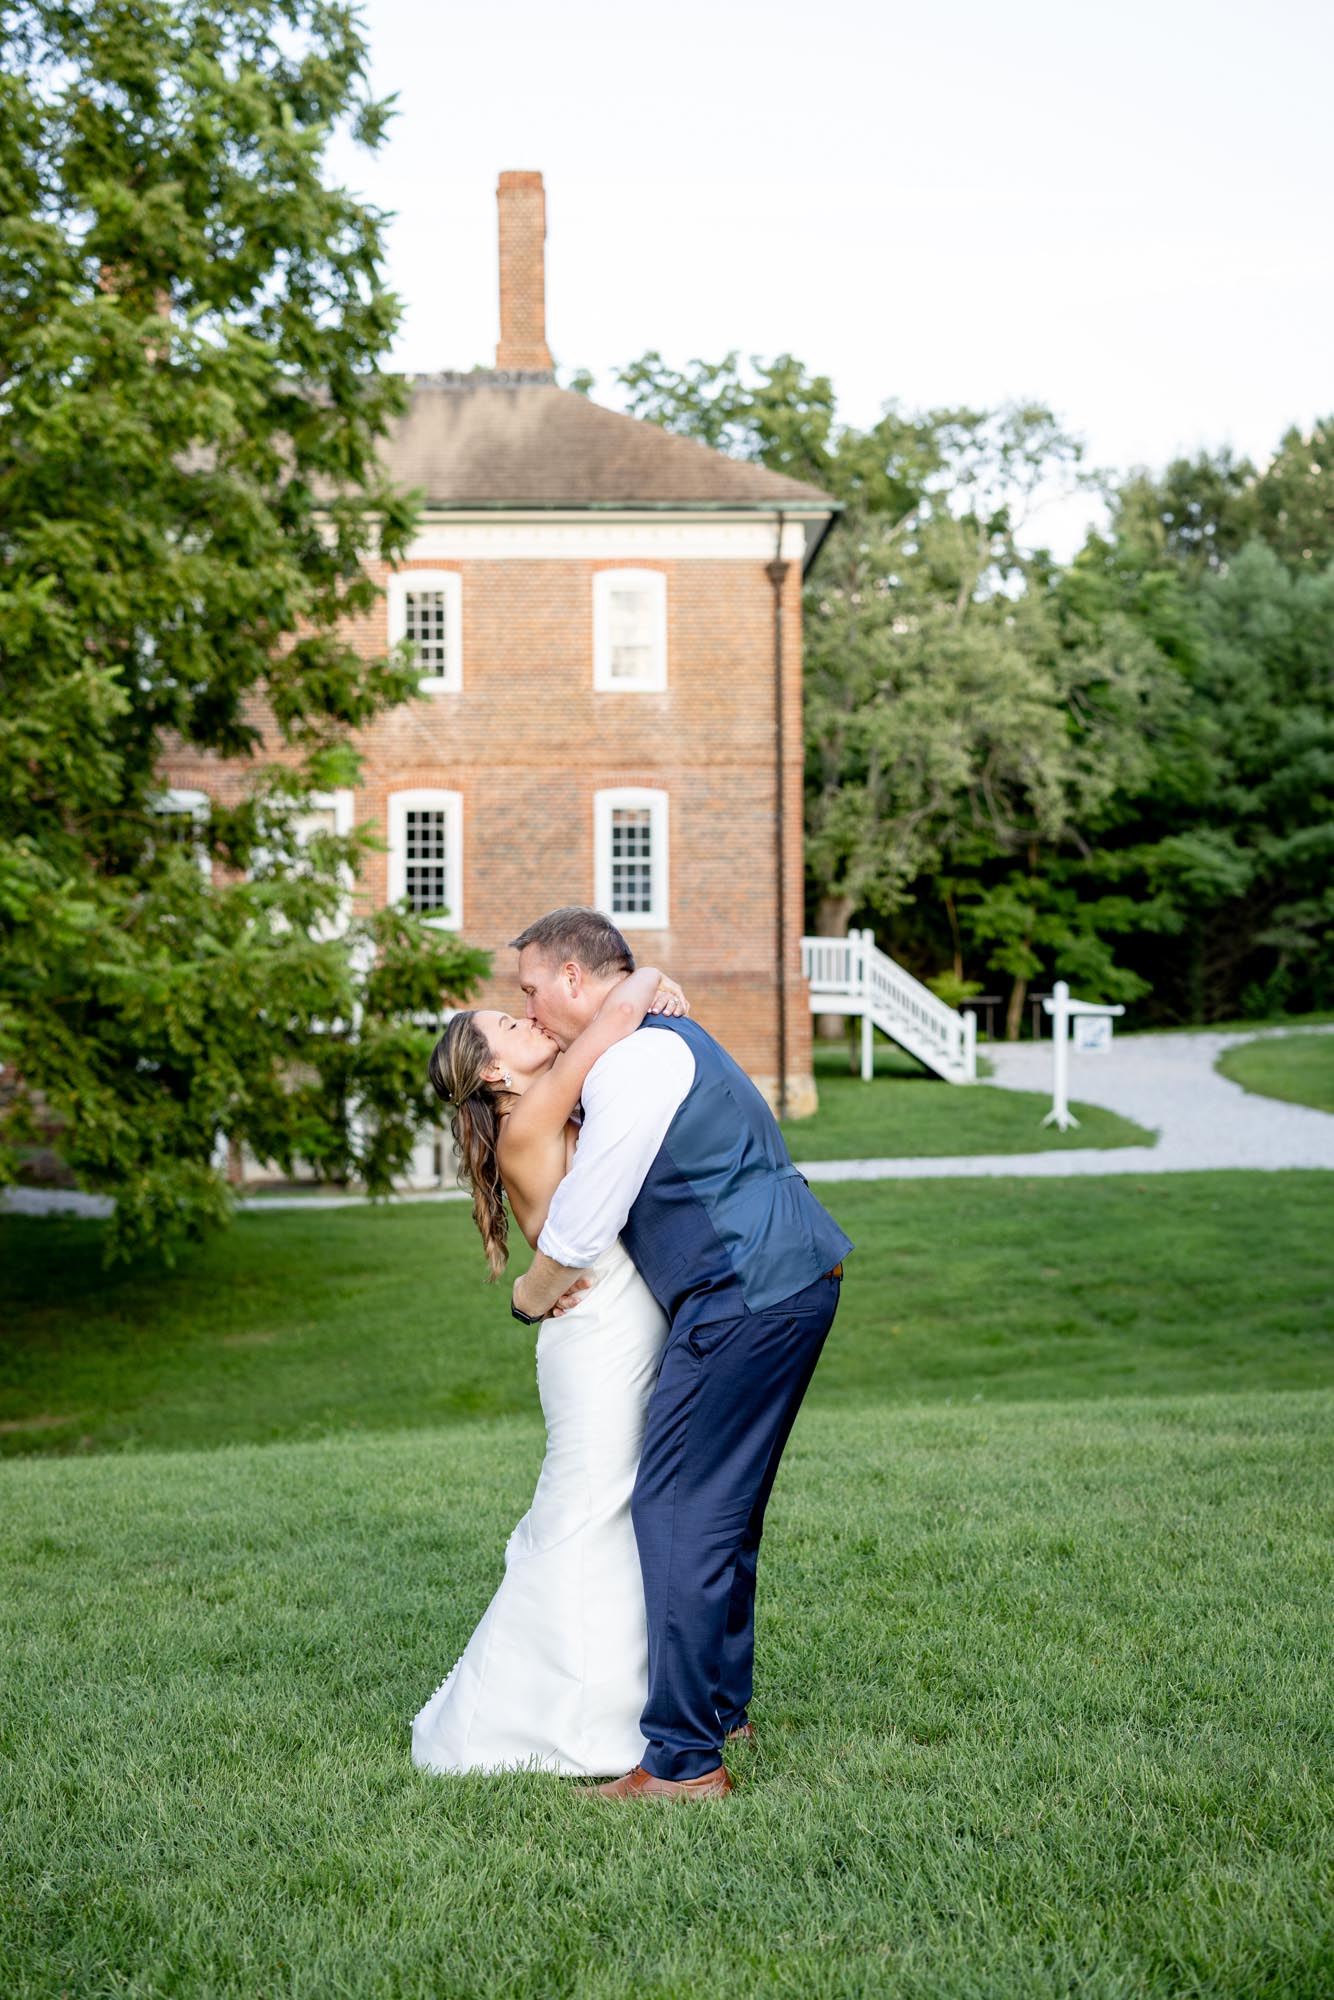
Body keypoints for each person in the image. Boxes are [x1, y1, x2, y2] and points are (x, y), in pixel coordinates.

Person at [510, 908, 853, 1801]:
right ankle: (717, 1706)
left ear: (577, 979)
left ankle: (683, 1762)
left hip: (743, 1291)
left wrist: (527, 1296)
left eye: (532, 987)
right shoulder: (661, 1037)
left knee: (676, 1508)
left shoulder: (635, 1062)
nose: (529, 1004)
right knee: (725, 1509)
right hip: (793, 1277)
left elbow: (585, 1219)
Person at [409, 954, 687, 1777]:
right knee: (585, 1515)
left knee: (611, 1511)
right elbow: (609, 1024)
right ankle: (530, 1724)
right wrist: (647, 978)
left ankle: (615, 1705)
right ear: (494, 1069)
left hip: (613, 1326)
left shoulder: (540, 1103)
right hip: (596, 1338)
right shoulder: (535, 1112)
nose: (524, 1019)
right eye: (507, 1024)